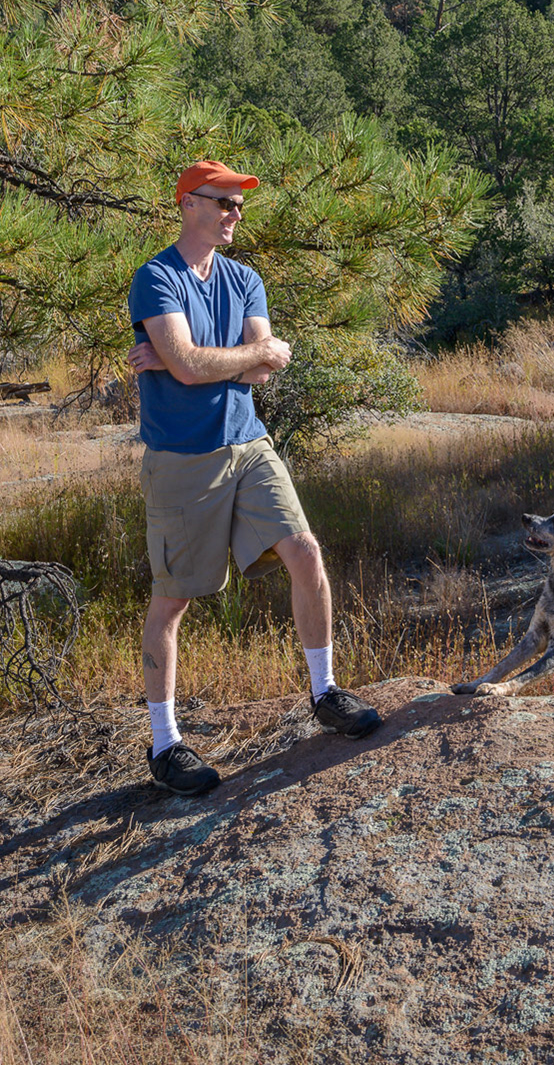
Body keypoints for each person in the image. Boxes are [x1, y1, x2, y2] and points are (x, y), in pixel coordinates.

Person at [127, 158, 382, 796]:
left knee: (306, 552)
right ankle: (165, 745)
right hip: (183, 457)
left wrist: (184, 361)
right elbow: (204, 364)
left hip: (249, 441)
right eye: (224, 202)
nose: (235, 214)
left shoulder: (244, 279)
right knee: (173, 600)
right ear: (189, 203)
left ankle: (324, 692)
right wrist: (202, 361)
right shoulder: (156, 278)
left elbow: (260, 366)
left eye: (239, 204)